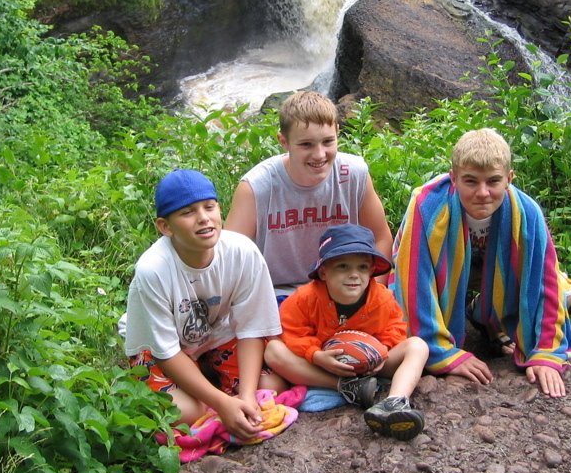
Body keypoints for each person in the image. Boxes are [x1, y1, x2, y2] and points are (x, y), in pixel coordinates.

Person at [390, 128, 571, 398]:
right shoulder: (427, 205)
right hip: (444, 270)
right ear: (453, 178)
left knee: (566, 295)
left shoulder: (527, 212)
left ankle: (484, 314)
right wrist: (445, 353)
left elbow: (546, 278)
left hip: (494, 268)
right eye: (470, 181)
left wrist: (546, 352)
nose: (483, 192)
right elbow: (412, 279)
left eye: (493, 181)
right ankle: (457, 325)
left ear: (509, 179)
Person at [122, 169, 287, 440]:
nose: (203, 218)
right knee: (187, 412)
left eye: (209, 207)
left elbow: (251, 328)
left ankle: (216, 383)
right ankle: (212, 392)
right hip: (160, 348)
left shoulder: (242, 252)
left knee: (270, 384)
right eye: (187, 213)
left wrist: (246, 397)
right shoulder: (152, 270)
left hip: (215, 335)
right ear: (165, 227)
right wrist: (223, 405)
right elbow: (167, 353)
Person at [265, 224, 430, 440]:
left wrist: (382, 351)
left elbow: (396, 328)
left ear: (371, 270)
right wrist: (315, 355)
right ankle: (348, 387)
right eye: (343, 266)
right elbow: (291, 332)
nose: (354, 275)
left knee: (418, 345)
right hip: (323, 367)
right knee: (273, 350)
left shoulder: (382, 298)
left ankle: (394, 402)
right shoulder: (304, 299)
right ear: (323, 272)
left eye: (362, 267)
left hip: (372, 365)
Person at [224, 90, 392, 299]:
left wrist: (373, 294)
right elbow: (230, 257)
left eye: (328, 142)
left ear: (338, 132)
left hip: (344, 290)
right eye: (306, 144)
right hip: (276, 294)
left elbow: (381, 237)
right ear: (283, 141)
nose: (319, 154)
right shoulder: (256, 187)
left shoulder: (354, 174)